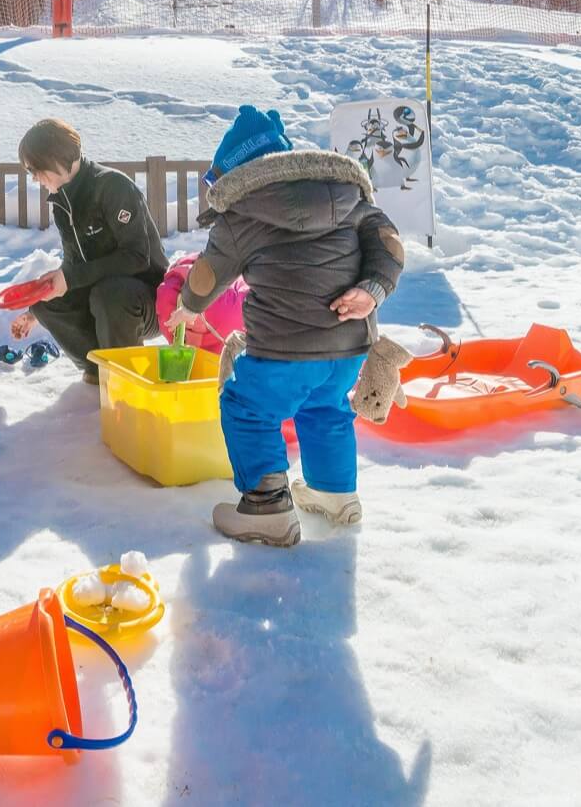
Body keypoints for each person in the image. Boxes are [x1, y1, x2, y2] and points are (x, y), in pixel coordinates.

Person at [167, 105, 405, 548]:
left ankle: (267, 508)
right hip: (349, 346)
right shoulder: (346, 193)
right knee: (326, 408)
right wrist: (373, 289)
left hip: (283, 350)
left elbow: (207, 274)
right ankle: (335, 494)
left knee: (247, 407)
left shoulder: (244, 212)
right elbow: (388, 242)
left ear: (237, 172)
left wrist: (189, 306)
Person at [8, 118, 169, 385]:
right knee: (44, 298)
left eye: (35, 169)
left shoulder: (112, 187)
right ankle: (97, 367)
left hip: (146, 299)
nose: (35, 178)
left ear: (57, 156)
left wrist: (70, 278)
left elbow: (138, 256)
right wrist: (37, 308)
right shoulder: (62, 201)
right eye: (29, 171)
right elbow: (74, 262)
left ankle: (123, 376)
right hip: (100, 296)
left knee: (109, 294)